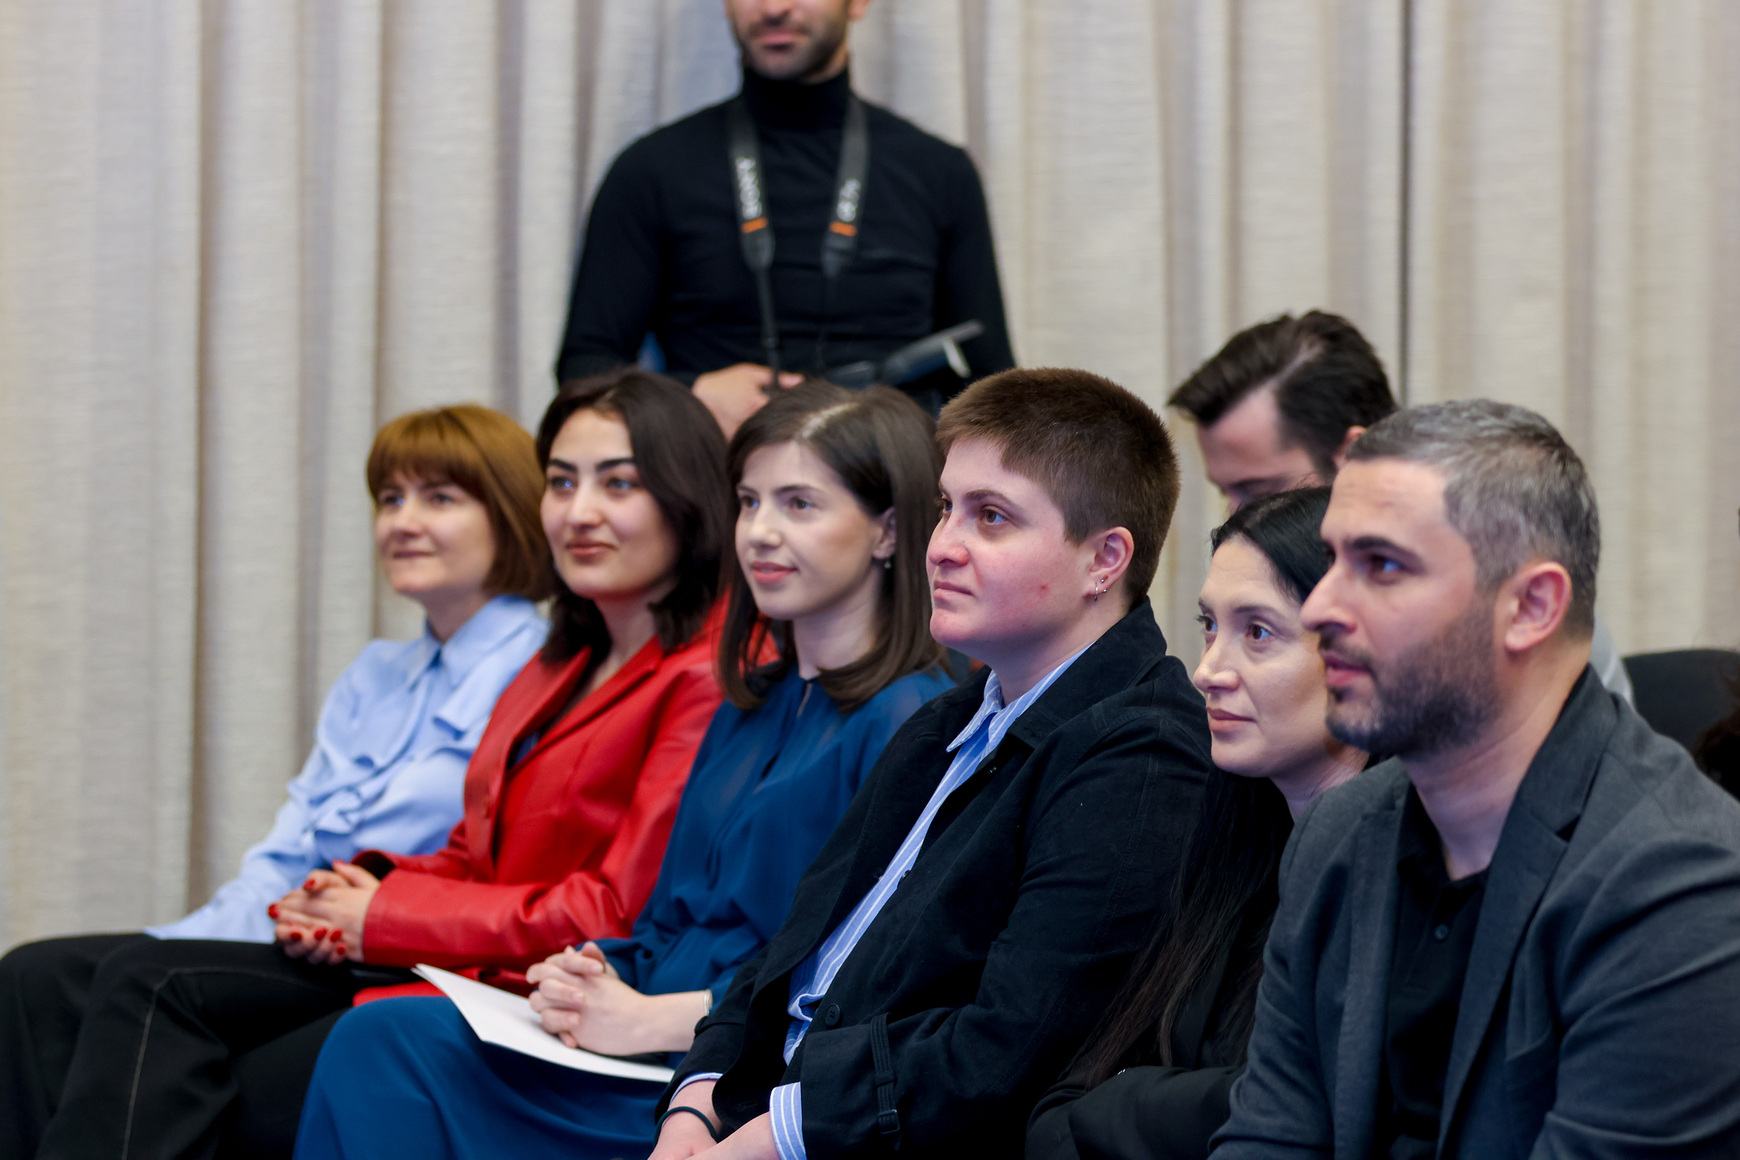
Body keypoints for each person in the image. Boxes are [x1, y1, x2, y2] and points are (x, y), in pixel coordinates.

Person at [0, 370, 734, 1160]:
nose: (579, 511)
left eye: (618, 484)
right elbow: (473, 848)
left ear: (686, 499)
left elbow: (613, 908)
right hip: (455, 959)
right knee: (65, 983)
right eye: (561, 482)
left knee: (173, 1021)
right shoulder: (561, 661)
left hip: (540, 988)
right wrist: (357, 889)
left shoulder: (697, 677)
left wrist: (380, 915)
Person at [292, 381, 955, 1159]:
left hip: (739, 1074)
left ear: (887, 531)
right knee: (382, 1033)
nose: (761, 533)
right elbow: (665, 919)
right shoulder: (752, 701)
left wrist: (651, 1017)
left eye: (799, 505)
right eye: (749, 502)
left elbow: (858, 985)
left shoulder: (908, 721)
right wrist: (588, 970)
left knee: (385, 1050)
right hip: (641, 1027)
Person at [646, 367, 1212, 1160]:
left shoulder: (1142, 752)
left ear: (1104, 560)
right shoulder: (951, 715)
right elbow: (789, 955)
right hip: (775, 1109)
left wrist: (774, 1134)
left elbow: (1008, 1048)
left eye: (992, 518)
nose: (942, 546)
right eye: (947, 508)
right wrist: (697, 1098)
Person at [1211, 400, 1740, 1158]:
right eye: (1332, 561)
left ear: (1530, 607)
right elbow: (1269, 1139)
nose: (1322, 607)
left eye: (1380, 566)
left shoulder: (1680, 888)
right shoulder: (1336, 836)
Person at [1026, 487, 1366, 1160]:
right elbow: (1055, 1116)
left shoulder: (1399, 875)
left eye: (1258, 633)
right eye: (1210, 625)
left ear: (1360, 654)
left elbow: (1307, 1110)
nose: (1209, 671)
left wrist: (1131, 1099)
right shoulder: (1230, 844)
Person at [556, 0, 1015, 432]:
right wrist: (691, 395)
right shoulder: (651, 170)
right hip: (714, 470)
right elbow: (584, 369)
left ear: (858, 2)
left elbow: (994, 388)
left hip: (890, 473)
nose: (774, 8)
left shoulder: (940, 173)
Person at [1167, 310, 1634, 702]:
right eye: (1224, 492)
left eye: (1258, 490)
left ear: (1353, 456)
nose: (1233, 517)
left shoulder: (1494, 612)